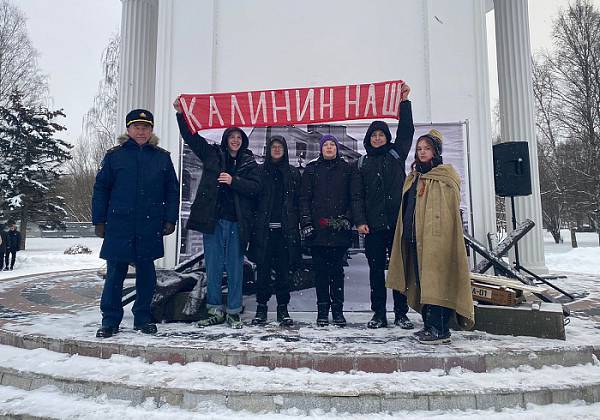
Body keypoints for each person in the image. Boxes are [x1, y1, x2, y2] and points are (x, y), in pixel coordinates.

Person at [92, 109, 180, 338]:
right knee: (115, 275)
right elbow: (101, 189)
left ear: (151, 130)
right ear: (128, 130)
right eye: (137, 127)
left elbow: (172, 191)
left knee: (147, 276)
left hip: (149, 225)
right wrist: (99, 220)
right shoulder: (115, 156)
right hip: (119, 224)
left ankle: (142, 318)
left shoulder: (162, 157)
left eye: (145, 127)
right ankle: (110, 320)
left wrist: (170, 218)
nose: (141, 131)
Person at [173, 100, 260, 329]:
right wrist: (181, 115)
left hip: (237, 223)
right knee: (213, 266)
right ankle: (214, 310)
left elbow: (255, 188)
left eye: (239, 137)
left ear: (243, 141)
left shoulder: (249, 162)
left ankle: (233, 311)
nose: (235, 140)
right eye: (232, 137)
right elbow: (191, 137)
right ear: (226, 139)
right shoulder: (212, 154)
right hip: (213, 220)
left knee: (235, 267)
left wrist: (234, 181)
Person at [386, 129, 474, 344]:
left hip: (436, 242)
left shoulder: (444, 177)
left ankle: (439, 329)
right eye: (419, 149)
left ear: (436, 151)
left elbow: (447, 211)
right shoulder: (414, 177)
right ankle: (428, 325)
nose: (422, 152)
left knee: (437, 283)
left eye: (427, 148)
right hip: (414, 240)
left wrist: (437, 235)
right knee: (423, 283)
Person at [356, 83, 415, 329]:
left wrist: (404, 102)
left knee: (398, 271)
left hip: (397, 224)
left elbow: (407, 131)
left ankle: (401, 313)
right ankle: (378, 314)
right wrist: (361, 221)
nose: (378, 138)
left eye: (381, 134)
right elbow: (357, 196)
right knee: (376, 272)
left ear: (386, 137)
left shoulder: (396, 154)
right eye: (374, 135)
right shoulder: (362, 163)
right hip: (373, 227)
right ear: (369, 139)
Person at [300, 134, 367, 327]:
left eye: (332, 144)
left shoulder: (347, 169)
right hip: (317, 232)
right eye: (326, 145)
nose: (329, 148)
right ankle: (322, 311)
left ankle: (338, 311)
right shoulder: (311, 169)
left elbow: (354, 197)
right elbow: (304, 199)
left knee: (337, 273)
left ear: (337, 148)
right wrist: (306, 223)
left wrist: (347, 219)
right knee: (320, 273)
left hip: (339, 232)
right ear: (320, 149)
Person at [248, 135, 301, 326]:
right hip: (264, 232)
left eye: (280, 147)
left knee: (283, 273)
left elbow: (298, 202)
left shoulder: (293, 173)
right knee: (262, 272)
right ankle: (261, 308)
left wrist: (297, 223)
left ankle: (283, 309)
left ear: (285, 150)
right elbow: (252, 200)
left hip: (285, 232)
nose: (277, 149)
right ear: (268, 150)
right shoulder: (260, 172)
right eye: (274, 147)